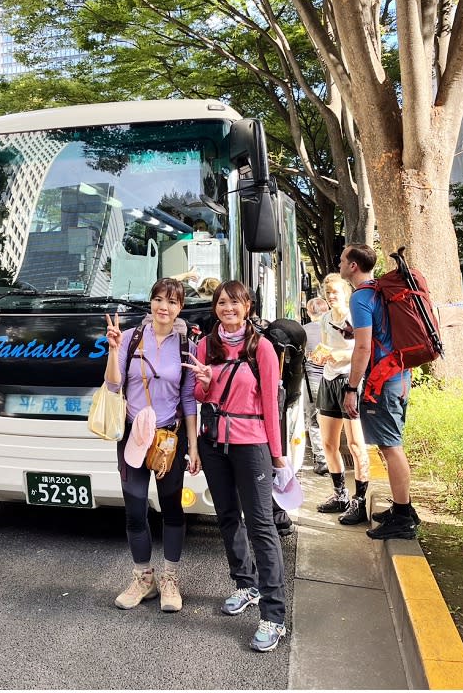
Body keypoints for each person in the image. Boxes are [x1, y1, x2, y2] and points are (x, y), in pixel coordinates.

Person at [186, 280, 288, 653]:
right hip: (214, 442)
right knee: (227, 515)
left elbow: (272, 406)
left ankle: (274, 615)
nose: (227, 308)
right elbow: (199, 396)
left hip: (252, 443)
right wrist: (205, 381)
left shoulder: (261, 347)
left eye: (234, 302)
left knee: (261, 524)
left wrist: (277, 455)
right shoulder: (205, 345)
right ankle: (245, 585)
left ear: (247, 306)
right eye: (221, 303)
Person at [104, 278, 201, 612]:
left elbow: (189, 399)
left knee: (171, 509)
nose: (164, 307)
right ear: (151, 303)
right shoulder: (131, 339)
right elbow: (112, 386)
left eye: (172, 302)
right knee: (134, 510)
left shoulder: (188, 345)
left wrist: (195, 446)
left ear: (180, 308)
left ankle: (170, 579)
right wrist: (114, 350)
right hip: (133, 436)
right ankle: (143, 579)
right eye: (159, 299)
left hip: (169, 440)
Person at [339, 244, 418, 540]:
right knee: (392, 443)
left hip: (383, 380)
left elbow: (363, 347)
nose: (340, 262)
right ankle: (404, 510)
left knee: (391, 446)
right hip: (399, 375)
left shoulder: (361, 295)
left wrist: (351, 388)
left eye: (343, 259)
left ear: (354, 266)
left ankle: (403, 517)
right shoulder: (379, 291)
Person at [314, 274, 370, 525]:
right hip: (328, 381)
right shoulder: (325, 318)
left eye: (335, 292)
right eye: (328, 292)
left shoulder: (355, 316)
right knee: (328, 443)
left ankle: (360, 502)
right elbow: (326, 347)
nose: (331, 296)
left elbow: (363, 349)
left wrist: (339, 355)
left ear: (345, 293)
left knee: (357, 445)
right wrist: (322, 355)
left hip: (350, 382)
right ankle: (340, 495)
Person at [302, 296, 330, 475]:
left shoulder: (302, 331)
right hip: (332, 380)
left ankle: (321, 460)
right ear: (326, 311)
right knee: (331, 420)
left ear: (308, 312)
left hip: (312, 381)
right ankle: (333, 456)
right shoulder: (334, 330)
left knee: (313, 421)